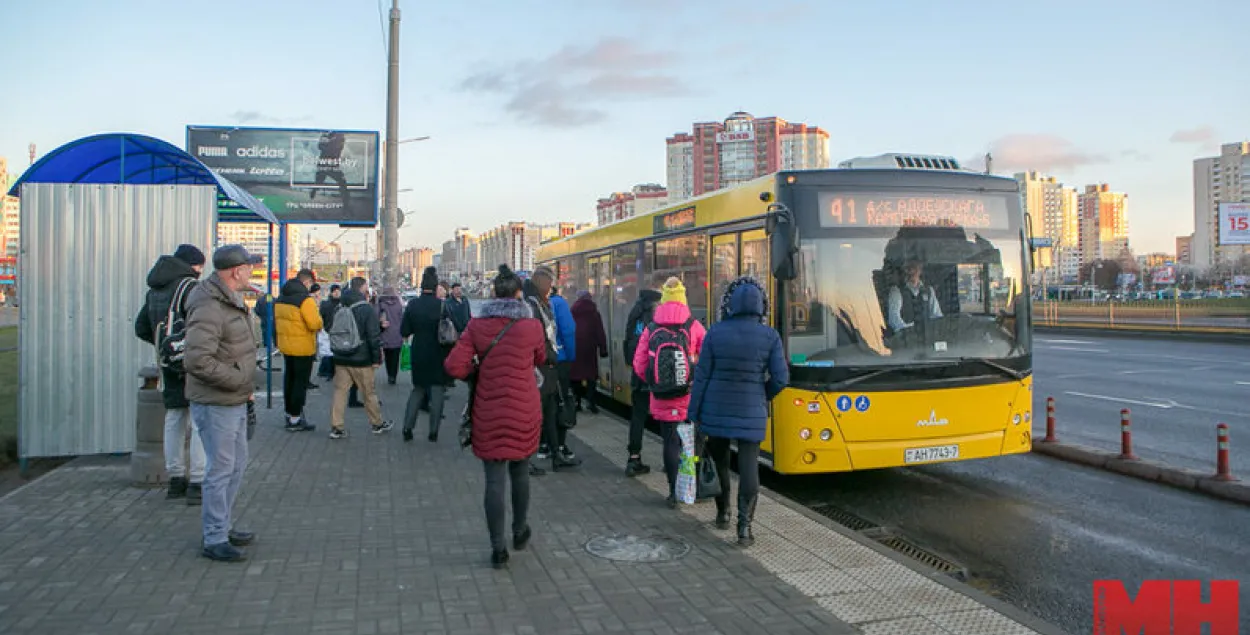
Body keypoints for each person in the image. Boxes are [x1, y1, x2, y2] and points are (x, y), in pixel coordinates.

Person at [444, 265, 546, 569]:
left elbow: (453, 366)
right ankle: (520, 531)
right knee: (521, 470)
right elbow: (541, 358)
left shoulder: (477, 326)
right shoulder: (531, 327)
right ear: (518, 294)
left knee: (494, 480)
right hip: (524, 409)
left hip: (488, 410)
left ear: (493, 293)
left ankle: (497, 547)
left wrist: (478, 372)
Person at [688, 276, 788, 547]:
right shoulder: (770, 336)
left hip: (715, 409)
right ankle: (744, 527)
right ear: (760, 307)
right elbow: (781, 378)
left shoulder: (715, 333)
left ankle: (723, 513)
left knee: (720, 462)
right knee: (748, 467)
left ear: (730, 305)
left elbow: (702, 377)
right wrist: (761, 395)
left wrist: (693, 413)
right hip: (751, 411)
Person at [184, 245, 263, 562]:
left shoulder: (228, 300)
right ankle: (214, 536)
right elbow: (197, 359)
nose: (251, 273)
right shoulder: (209, 306)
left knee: (235, 466)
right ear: (235, 271)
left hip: (233, 399)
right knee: (220, 470)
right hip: (217, 401)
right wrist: (237, 380)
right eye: (248, 267)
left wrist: (241, 386)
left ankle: (222, 525)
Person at [134, 244, 207, 503]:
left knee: (174, 418)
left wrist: (164, 346)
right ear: (192, 265)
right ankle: (198, 479)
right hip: (192, 362)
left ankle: (176, 478)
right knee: (199, 420)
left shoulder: (155, 289)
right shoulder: (191, 288)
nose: (201, 271)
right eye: (200, 265)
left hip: (167, 364)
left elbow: (141, 327)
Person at [632, 277, 706, 507]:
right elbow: (706, 357)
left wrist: (654, 381)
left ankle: (673, 492)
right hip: (688, 394)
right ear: (683, 299)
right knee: (690, 444)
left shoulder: (652, 327)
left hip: (662, 395)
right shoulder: (694, 326)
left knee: (670, 442)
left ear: (663, 299)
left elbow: (639, 362)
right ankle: (691, 489)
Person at [523, 267, 580, 471]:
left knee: (550, 410)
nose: (551, 288)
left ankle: (555, 453)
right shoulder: (533, 306)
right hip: (541, 367)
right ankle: (530, 457)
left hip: (548, 366)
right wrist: (549, 357)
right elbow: (538, 337)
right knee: (538, 413)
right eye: (550, 284)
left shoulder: (540, 303)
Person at [328, 277, 392, 439]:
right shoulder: (366, 309)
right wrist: (376, 359)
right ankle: (377, 424)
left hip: (341, 357)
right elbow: (373, 336)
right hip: (361, 359)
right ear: (363, 288)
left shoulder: (339, 306)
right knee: (369, 393)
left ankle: (337, 427)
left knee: (340, 392)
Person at [401, 267, 452, 442]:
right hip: (438, 353)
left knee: (417, 390)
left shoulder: (413, 304)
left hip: (419, 351)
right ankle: (433, 432)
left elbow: (404, 330)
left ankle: (407, 428)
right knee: (437, 391)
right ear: (436, 286)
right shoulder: (442, 305)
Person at [273, 269, 322, 432]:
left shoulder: (281, 298)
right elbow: (314, 324)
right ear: (307, 282)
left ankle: (289, 413)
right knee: (300, 384)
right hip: (303, 348)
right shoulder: (305, 300)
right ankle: (295, 419)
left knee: (289, 380)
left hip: (286, 346)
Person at [622, 288, 662, 477]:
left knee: (637, 416)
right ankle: (670, 460)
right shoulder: (657, 318)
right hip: (656, 375)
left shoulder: (635, 314)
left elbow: (627, 342)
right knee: (666, 418)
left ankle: (634, 457)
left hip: (638, 375)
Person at [569, 291, 607, 413]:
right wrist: (603, 349)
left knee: (576, 376)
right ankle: (591, 402)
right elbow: (600, 332)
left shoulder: (572, 312)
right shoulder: (594, 313)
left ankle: (577, 402)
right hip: (590, 349)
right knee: (591, 377)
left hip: (575, 348)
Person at [886, 259, 943, 334]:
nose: (911, 271)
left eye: (914, 267)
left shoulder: (929, 290)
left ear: (920, 270)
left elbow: (936, 315)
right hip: (907, 340)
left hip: (928, 337)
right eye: (908, 268)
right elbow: (894, 320)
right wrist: (909, 332)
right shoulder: (896, 291)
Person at [548, 286, 577, 432]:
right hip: (559, 358)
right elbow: (568, 331)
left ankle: (544, 443)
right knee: (561, 398)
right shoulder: (558, 303)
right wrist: (571, 356)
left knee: (545, 401)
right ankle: (559, 443)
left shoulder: (530, 303)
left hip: (539, 361)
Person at [376, 286, 405, 384]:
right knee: (395, 357)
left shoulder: (380, 304)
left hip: (385, 334)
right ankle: (393, 375)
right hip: (397, 334)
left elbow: (376, 318)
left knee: (388, 356)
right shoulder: (399, 304)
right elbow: (402, 318)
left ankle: (389, 374)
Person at [317, 284, 342, 381]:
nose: (337, 293)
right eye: (335, 291)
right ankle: (329, 372)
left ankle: (333, 372)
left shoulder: (343, 304)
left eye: (338, 291)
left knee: (337, 353)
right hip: (328, 331)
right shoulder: (325, 304)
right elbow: (321, 317)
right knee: (328, 352)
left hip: (340, 332)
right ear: (331, 292)